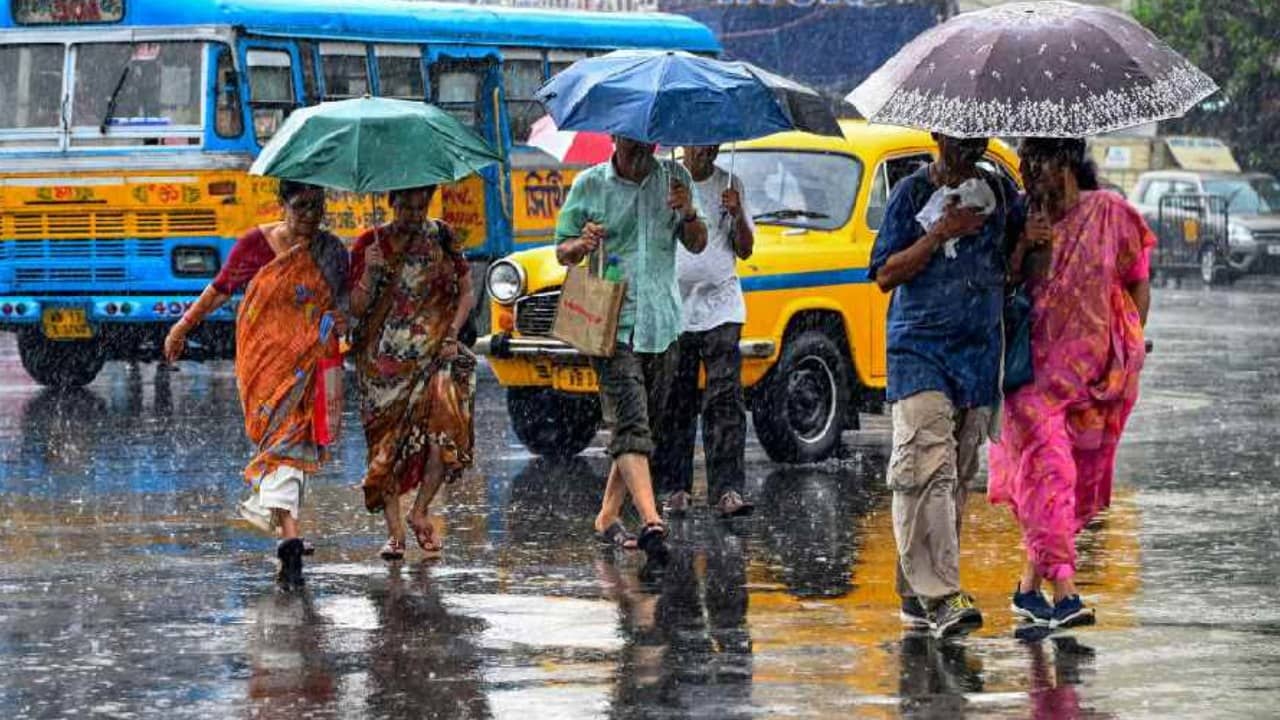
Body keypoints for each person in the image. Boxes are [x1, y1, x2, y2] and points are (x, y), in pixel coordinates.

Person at [989, 138, 1153, 629]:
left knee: (1066, 490)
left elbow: (1136, 277)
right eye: (1025, 163)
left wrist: (1132, 342)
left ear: (1064, 161)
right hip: (1030, 378)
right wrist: (1025, 246)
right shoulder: (1018, 218)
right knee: (1051, 473)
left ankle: (1026, 590)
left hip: (1092, 379)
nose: (1029, 171)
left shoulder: (1110, 213)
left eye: (1037, 161)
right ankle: (1065, 593)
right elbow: (1000, 285)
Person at [868, 134, 1018, 637]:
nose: (968, 148)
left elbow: (1011, 273)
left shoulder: (999, 194)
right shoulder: (911, 194)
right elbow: (886, 273)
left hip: (976, 359)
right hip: (919, 352)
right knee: (925, 467)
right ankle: (943, 594)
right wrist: (939, 233)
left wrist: (1033, 241)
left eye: (977, 140)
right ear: (937, 136)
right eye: (959, 139)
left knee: (950, 478)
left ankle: (916, 589)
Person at [163, 180, 349, 587]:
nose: (310, 216)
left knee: (293, 442)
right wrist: (182, 327)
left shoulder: (332, 252)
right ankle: (290, 532)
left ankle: (290, 537)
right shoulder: (255, 245)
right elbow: (219, 291)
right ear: (281, 205)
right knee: (281, 444)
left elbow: (343, 305)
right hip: (263, 363)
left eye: (318, 206)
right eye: (301, 206)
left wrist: (344, 329)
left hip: (310, 363)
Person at [555, 135, 707, 561]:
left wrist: (689, 211)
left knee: (641, 430)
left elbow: (698, 242)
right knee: (630, 425)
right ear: (615, 138)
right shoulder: (590, 185)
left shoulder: (676, 179)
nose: (641, 149)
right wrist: (581, 244)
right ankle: (652, 520)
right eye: (632, 141)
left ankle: (606, 514)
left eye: (647, 141)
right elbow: (561, 250)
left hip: (662, 321)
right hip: (611, 324)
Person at [349, 185, 477, 561]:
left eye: (421, 206)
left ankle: (421, 510)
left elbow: (467, 291)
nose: (413, 214)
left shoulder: (443, 236)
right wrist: (370, 274)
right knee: (385, 449)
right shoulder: (369, 244)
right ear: (390, 202)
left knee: (445, 435)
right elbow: (356, 308)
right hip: (382, 366)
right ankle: (395, 534)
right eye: (405, 206)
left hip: (437, 356)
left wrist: (452, 333)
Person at [656, 144, 755, 519]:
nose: (707, 151)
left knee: (724, 399)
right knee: (675, 401)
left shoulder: (731, 184)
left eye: (713, 144)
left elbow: (745, 250)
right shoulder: (665, 182)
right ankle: (675, 488)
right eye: (700, 144)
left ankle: (727, 489)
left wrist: (738, 214)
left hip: (723, 306)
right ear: (685, 145)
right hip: (675, 308)